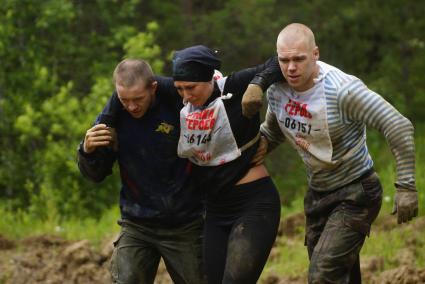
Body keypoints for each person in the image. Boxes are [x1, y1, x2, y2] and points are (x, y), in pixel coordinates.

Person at [242, 23, 418, 283]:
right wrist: (261, 144)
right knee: (341, 275)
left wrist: (406, 186)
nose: (291, 68)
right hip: (318, 194)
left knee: (322, 274)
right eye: (284, 60)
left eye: (299, 59)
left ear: (315, 54)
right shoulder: (277, 89)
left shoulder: (343, 91)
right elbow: (275, 127)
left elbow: (398, 125)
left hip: (356, 192)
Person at [77, 59, 207, 284]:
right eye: (124, 100)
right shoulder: (112, 119)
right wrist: (87, 151)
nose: (132, 107)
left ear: (153, 88)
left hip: (186, 224)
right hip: (137, 224)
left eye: (138, 99)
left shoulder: (180, 105)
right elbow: (96, 175)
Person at [170, 45, 281, 284]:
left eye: (191, 88)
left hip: (253, 203)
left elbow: (278, 62)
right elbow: (135, 85)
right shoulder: (183, 103)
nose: (185, 95)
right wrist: (106, 120)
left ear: (209, 78)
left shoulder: (233, 86)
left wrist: (257, 84)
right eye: (179, 88)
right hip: (215, 209)